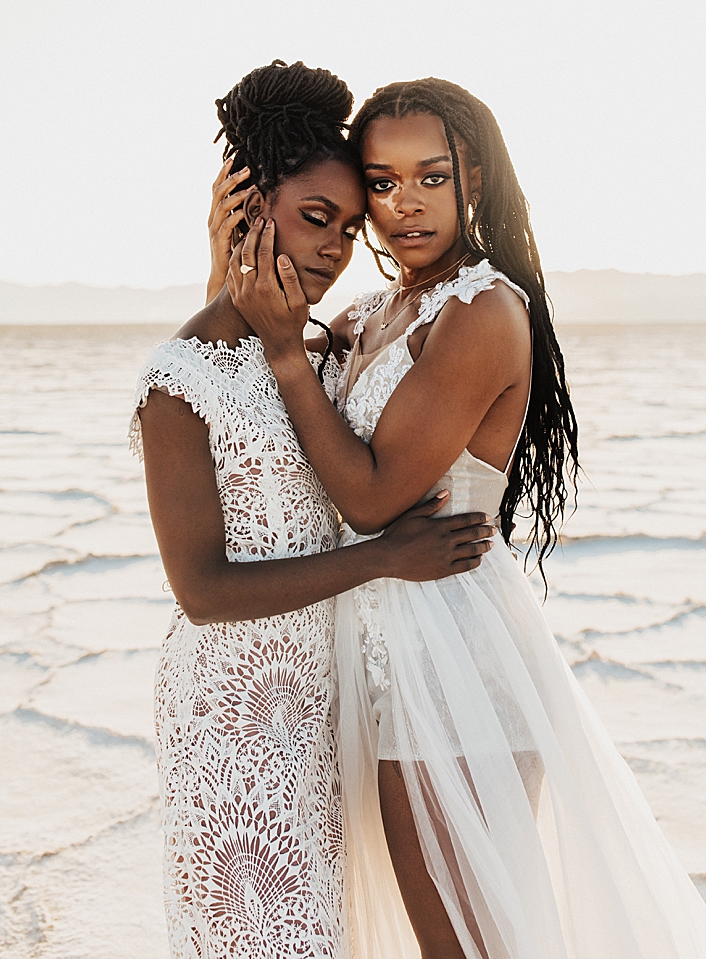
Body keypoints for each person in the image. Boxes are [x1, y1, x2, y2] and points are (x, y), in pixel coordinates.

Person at [230, 77, 706, 958]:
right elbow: (247, 379)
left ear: (475, 176)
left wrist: (285, 351)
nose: (405, 204)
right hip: (382, 644)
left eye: (431, 176)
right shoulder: (374, 313)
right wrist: (236, 263)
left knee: (466, 946)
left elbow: (372, 498)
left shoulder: (483, 310)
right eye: (382, 183)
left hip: (451, 651)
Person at [132, 61, 494, 957]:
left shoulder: (319, 354)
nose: (335, 248)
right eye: (315, 217)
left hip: (319, 712)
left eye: (349, 226)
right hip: (229, 717)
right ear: (252, 209)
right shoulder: (175, 385)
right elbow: (202, 590)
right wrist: (384, 556)